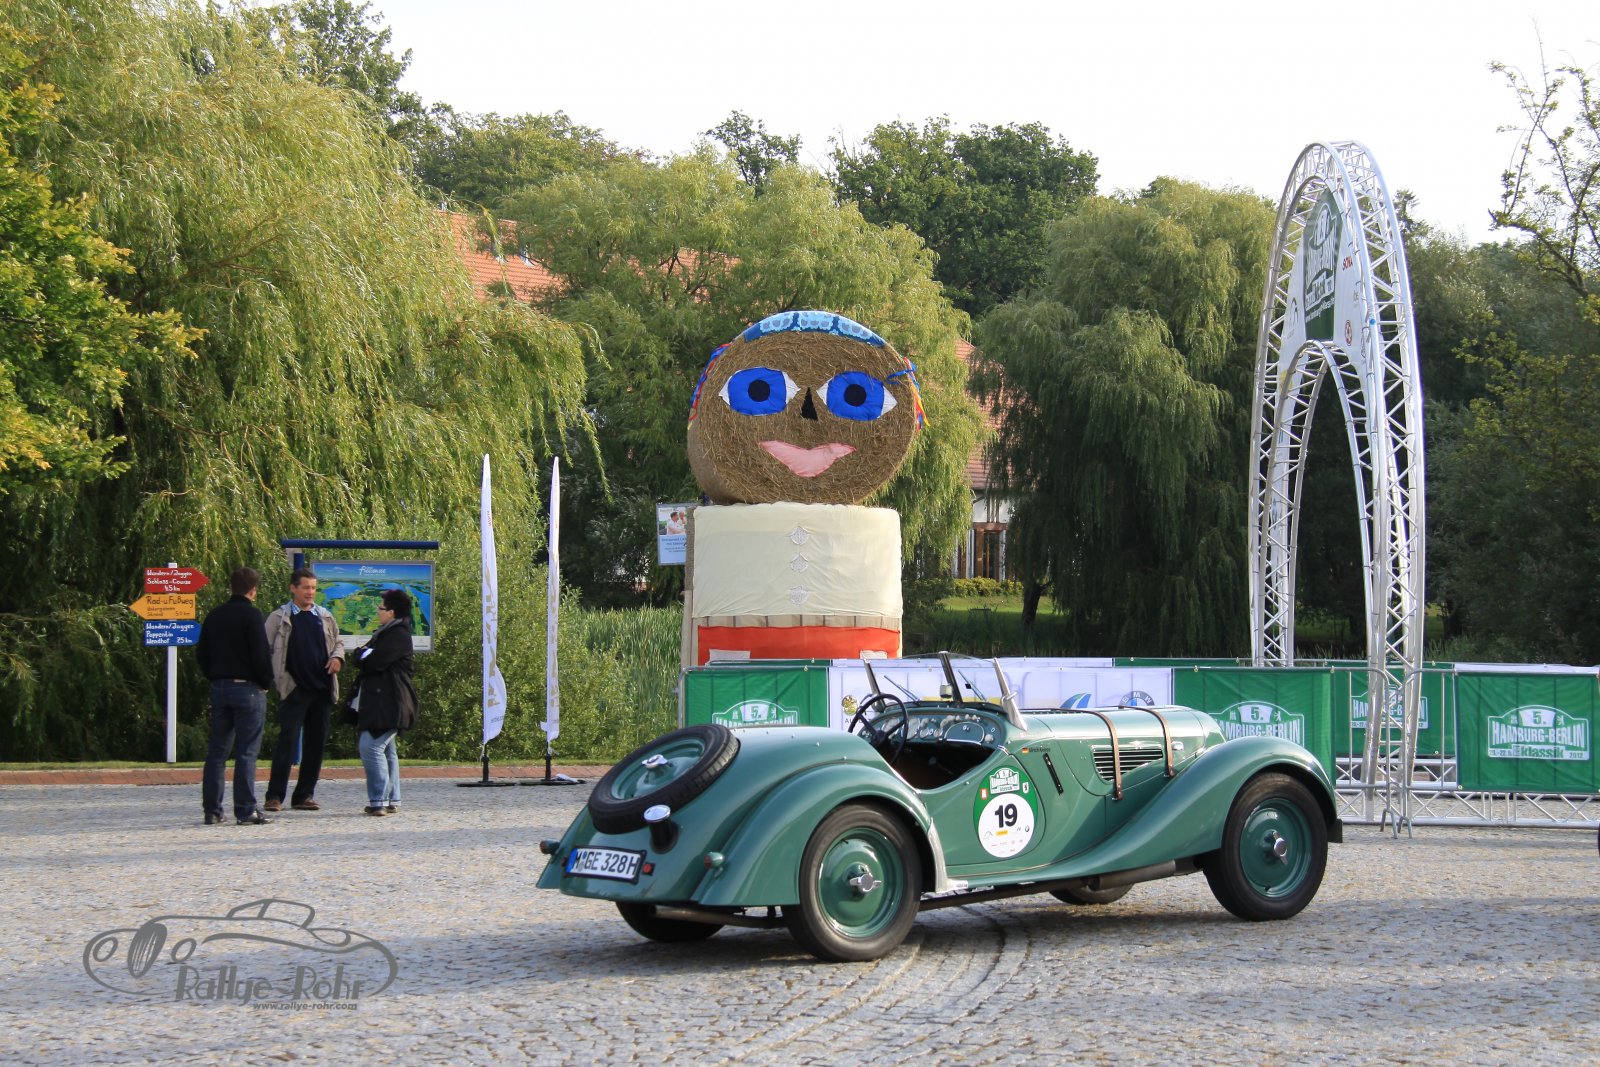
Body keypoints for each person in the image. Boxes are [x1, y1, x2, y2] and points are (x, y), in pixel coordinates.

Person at [195, 566, 275, 825]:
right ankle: (246, 809)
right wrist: (266, 682)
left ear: (231, 587)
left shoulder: (214, 615)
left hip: (220, 687)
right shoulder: (252, 616)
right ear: (253, 590)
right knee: (246, 752)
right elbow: (260, 654)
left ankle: (212, 810)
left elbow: (202, 654)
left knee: (217, 752)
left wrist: (214, 676)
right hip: (248, 688)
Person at [263, 567, 343, 812]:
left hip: (322, 689)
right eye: (306, 587)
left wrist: (337, 658)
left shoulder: (324, 616)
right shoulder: (279, 617)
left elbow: (338, 642)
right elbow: (264, 649)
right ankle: (274, 796)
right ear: (293, 588)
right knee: (286, 743)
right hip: (294, 689)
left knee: (315, 745)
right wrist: (269, 681)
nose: (310, 592)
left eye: (313, 588)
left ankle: (304, 795)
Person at [352, 587, 418, 816]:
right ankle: (392, 798)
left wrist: (364, 656)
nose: (377, 611)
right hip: (382, 700)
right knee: (387, 750)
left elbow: (374, 661)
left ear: (391, 612)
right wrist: (362, 655)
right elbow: (361, 654)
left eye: (380, 608)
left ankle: (378, 800)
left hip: (391, 702)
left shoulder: (398, 635)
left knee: (370, 746)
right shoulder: (385, 633)